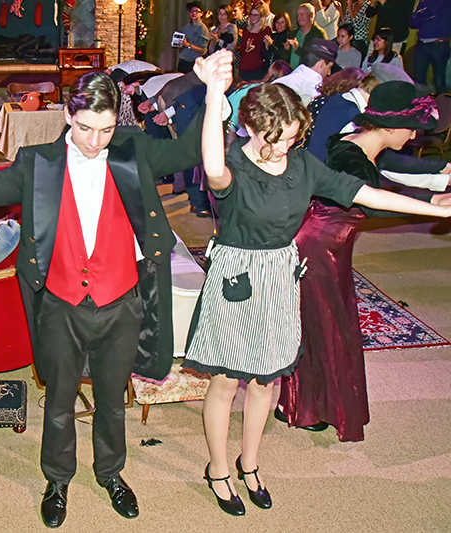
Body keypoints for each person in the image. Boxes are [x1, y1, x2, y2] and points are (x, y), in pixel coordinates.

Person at [0, 69, 211, 528]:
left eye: (106, 129)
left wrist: (211, 91)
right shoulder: (38, 161)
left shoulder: (132, 151)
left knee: (113, 399)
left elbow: (186, 148)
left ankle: (111, 474)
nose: (95, 142)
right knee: (59, 400)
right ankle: (57, 480)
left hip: (121, 302)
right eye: (84, 128)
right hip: (60, 304)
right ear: (67, 115)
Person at [183, 49, 451, 517]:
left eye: (292, 138)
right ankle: (219, 470)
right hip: (236, 279)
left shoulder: (303, 165)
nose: (285, 147)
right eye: (277, 139)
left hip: (282, 275)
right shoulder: (234, 166)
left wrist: (436, 208)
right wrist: (212, 95)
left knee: (266, 382)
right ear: (250, 129)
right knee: (227, 381)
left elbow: (362, 191)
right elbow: (210, 166)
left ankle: (251, 465)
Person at [277, 81, 450, 442]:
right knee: (321, 325)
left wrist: (434, 193)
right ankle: (298, 405)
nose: (417, 133)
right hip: (317, 246)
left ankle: (308, 404)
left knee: (328, 325)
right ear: (389, 127)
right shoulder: (348, 155)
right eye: (413, 126)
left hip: (332, 246)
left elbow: (397, 170)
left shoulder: (367, 146)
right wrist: (428, 207)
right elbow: (369, 200)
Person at [274, 38, 337, 105]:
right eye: (329, 67)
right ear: (321, 64)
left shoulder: (300, 72)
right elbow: (321, 105)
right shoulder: (312, 78)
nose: (329, 72)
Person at [409, 0, 451, 96]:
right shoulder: (424, 1)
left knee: (439, 81)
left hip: (439, 44)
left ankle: (442, 108)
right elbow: (412, 22)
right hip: (421, 44)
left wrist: (423, 15)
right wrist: (424, 15)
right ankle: (419, 107)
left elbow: (432, 10)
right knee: (419, 82)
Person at [238, 5, 272, 81]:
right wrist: (246, 48)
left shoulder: (266, 30)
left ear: (261, 16)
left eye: (256, 15)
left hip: (257, 68)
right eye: (252, 14)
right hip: (244, 67)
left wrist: (266, 47)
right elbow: (242, 51)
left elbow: (266, 53)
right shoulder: (246, 30)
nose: (253, 17)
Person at [287, 3, 327, 69]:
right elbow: (285, 57)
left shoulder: (319, 34)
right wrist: (286, 49)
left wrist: (298, 49)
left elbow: (317, 58)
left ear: (311, 15)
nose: (299, 17)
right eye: (298, 15)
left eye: (302, 14)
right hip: (291, 74)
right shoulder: (293, 33)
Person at [174, 1, 210, 73]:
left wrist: (188, 45)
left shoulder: (203, 29)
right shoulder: (185, 28)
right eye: (191, 11)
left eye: (196, 11)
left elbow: (203, 50)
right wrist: (178, 44)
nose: (194, 13)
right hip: (183, 61)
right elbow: (180, 48)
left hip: (194, 62)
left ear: (201, 13)